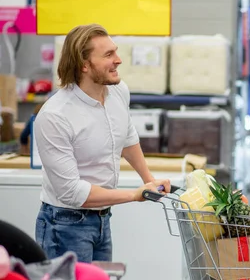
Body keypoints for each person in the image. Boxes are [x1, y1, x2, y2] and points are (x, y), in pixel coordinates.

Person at [33, 24, 171, 263]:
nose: (118, 60)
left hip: (101, 220)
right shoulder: (55, 115)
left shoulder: (118, 91)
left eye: (115, 52)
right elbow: (73, 193)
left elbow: (127, 137)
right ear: (84, 65)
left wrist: (148, 180)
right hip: (64, 225)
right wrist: (134, 195)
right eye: (108, 55)